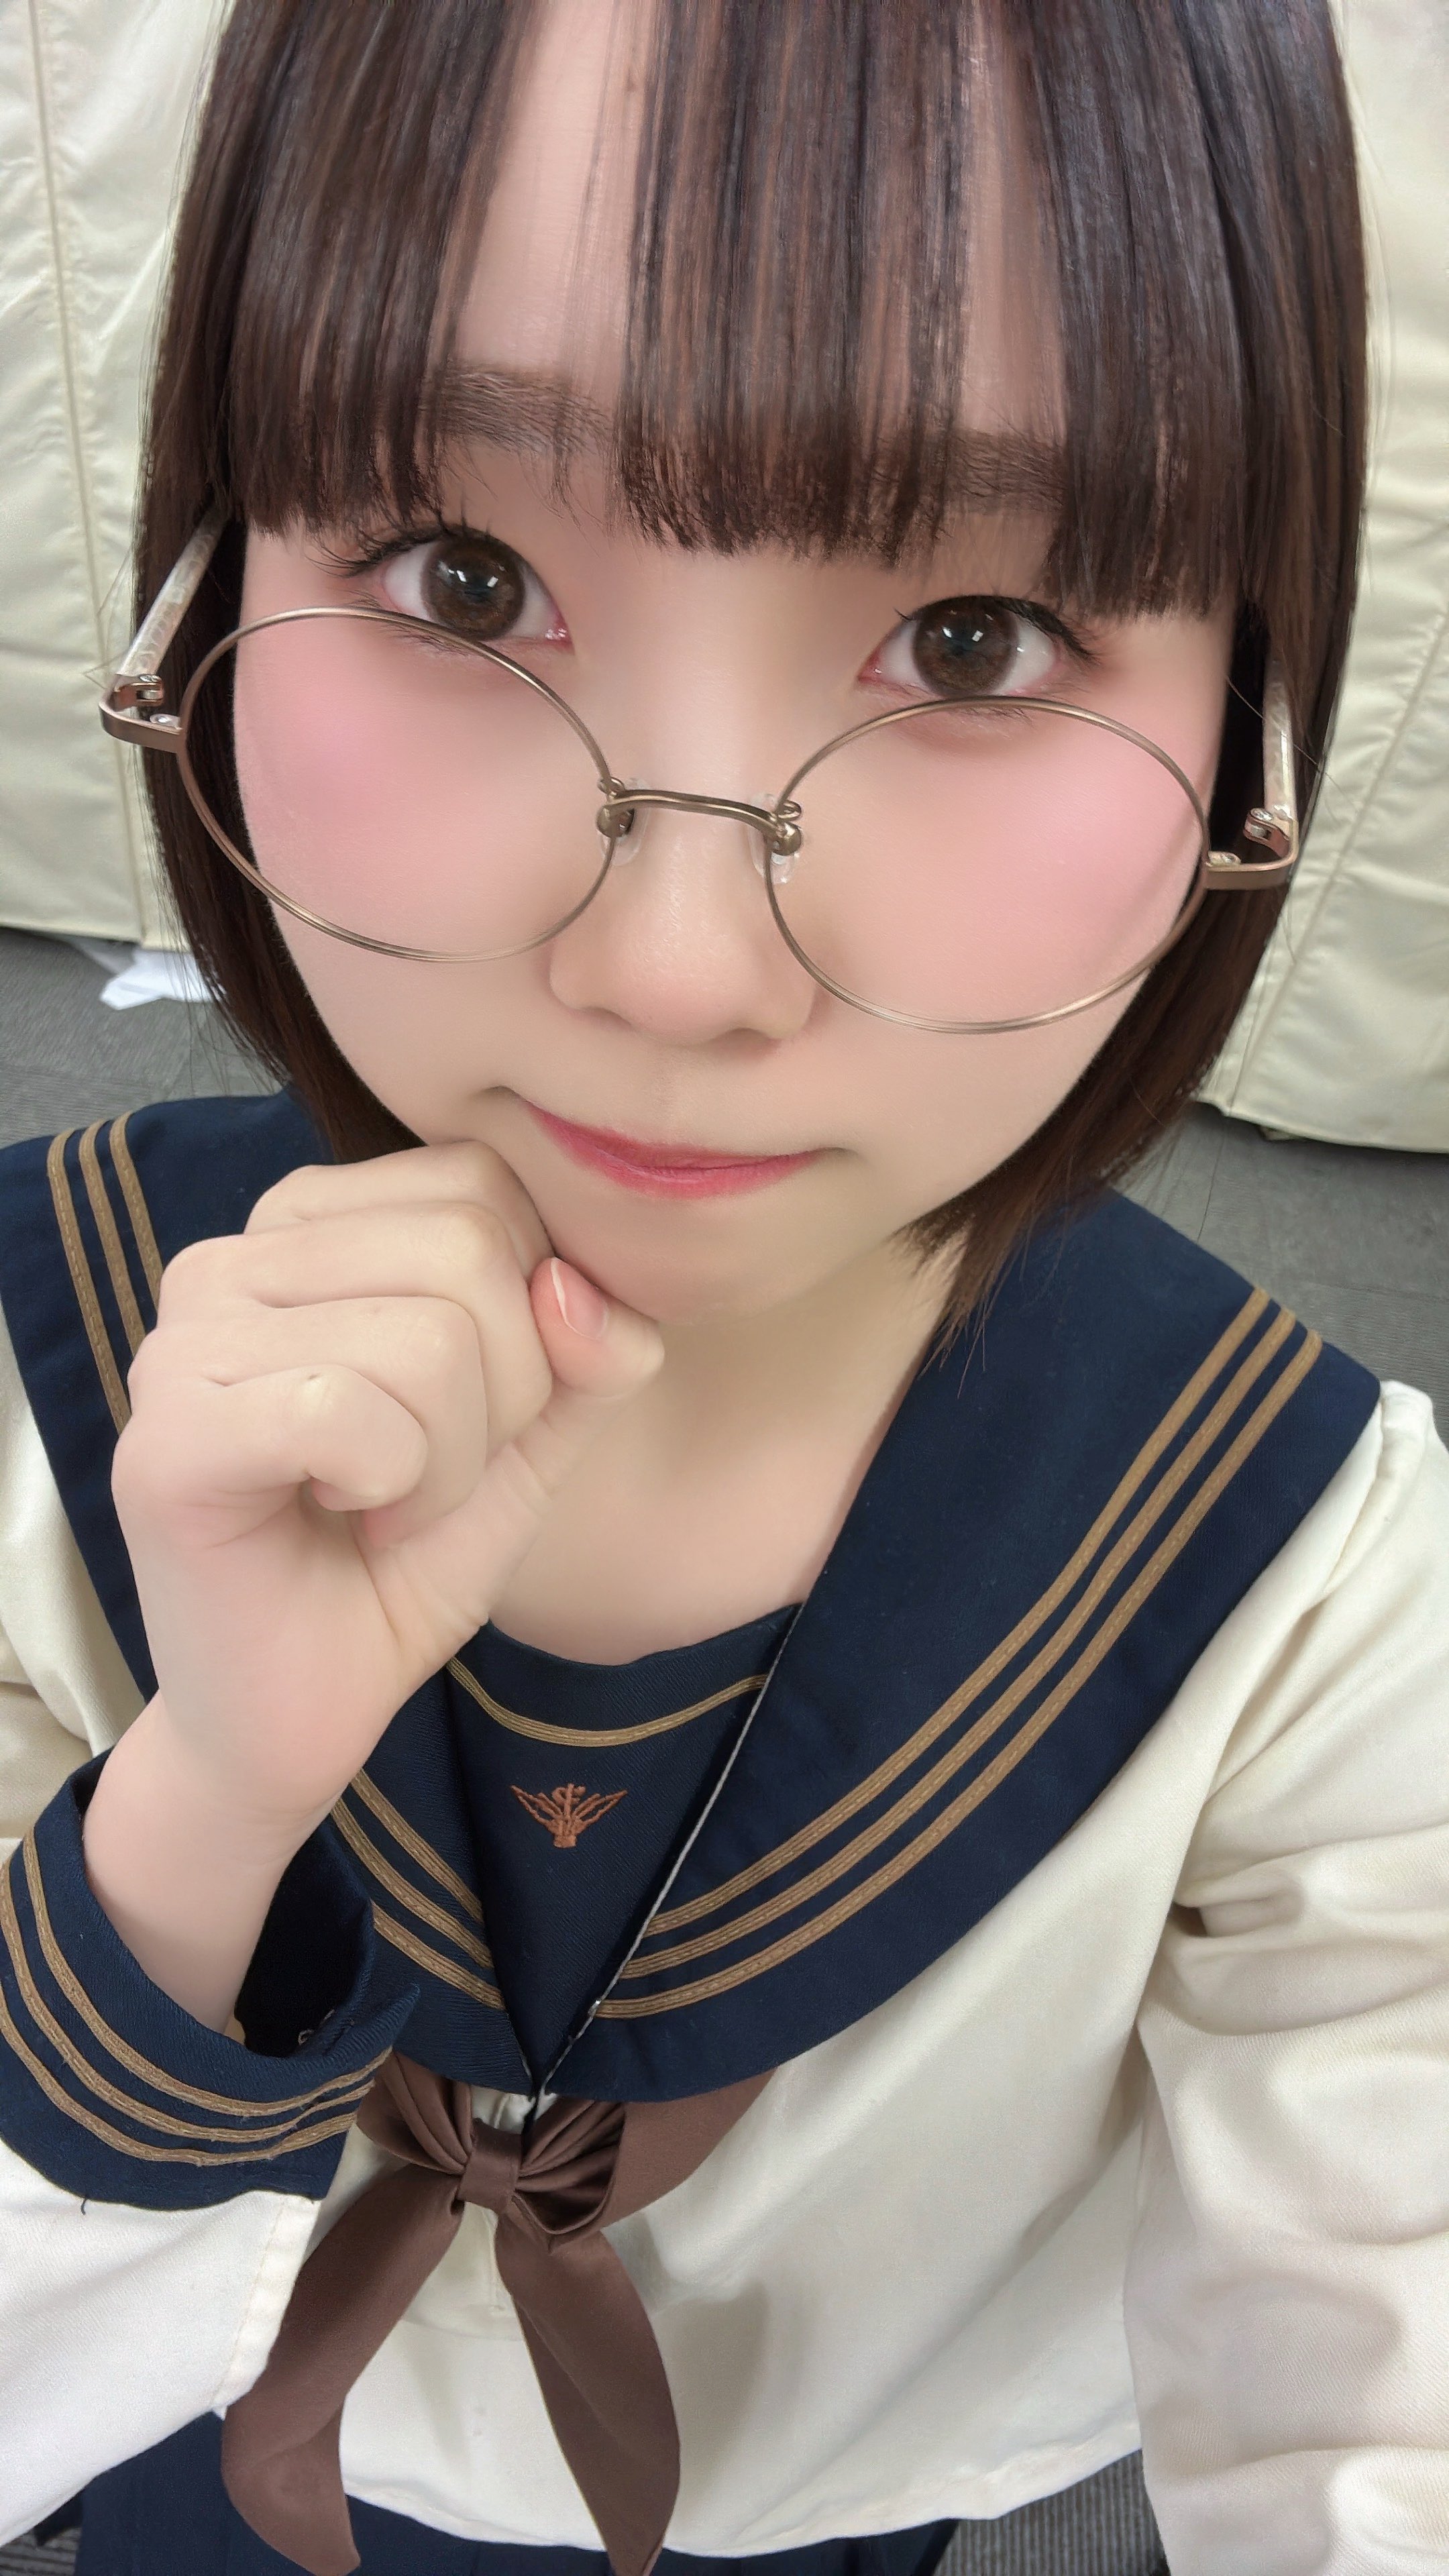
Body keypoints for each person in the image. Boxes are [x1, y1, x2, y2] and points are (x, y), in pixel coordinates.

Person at [0, 3, 1444, 2572]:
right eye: (464, 582)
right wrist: (198, 1816)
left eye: (978, 640)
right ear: (207, 582)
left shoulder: (1327, 1586)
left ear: (1256, 721)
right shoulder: (35, 1373)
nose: (676, 967)